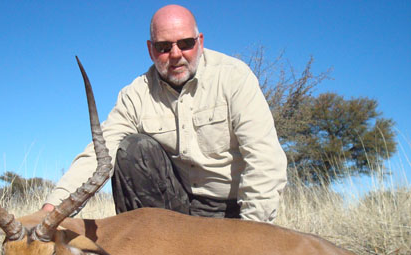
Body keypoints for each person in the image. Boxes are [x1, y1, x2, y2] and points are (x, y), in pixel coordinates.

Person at [43, 4, 287, 222]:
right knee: (132, 148)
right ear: (150, 50)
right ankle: (145, 253)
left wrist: (252, 232)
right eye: (163, 47)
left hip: (233, 210)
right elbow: (100, 152)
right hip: (177, 210)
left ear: (200, 42)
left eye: (186, 43)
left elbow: (264, 158)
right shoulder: (136, 93)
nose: (175, 54)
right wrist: (50, 211)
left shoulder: (234, 77)